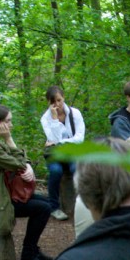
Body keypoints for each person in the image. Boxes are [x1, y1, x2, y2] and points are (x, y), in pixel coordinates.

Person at [0, 104, 54, 260]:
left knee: (45, 202)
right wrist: (9, 139)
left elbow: (21, 163)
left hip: (4, 194)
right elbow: (18, 163)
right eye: (8, 121)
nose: (11, 125)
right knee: (42, 209)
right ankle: (28, 257)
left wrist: (28, 166)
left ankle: (32, 251)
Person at [40, 85, 85, 220]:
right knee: (55, 171)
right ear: (48, 102)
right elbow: (54, 139)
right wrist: (54, 119)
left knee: (76, 168)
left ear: (64, 98)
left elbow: (79, 138)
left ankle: (83, 204)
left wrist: (62, 142)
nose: (57, 104)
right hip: (55, 154)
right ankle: (54, 207)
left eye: (59, 100)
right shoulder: (45, 119)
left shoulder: (75, 113)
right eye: (53, 102)